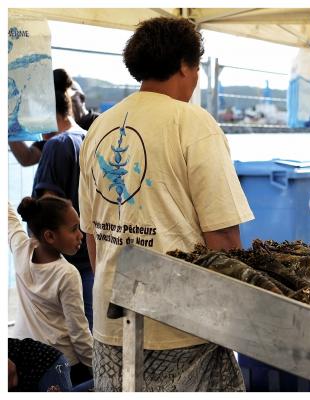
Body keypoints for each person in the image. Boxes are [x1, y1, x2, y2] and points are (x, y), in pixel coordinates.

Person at [78, 17, 254, 392]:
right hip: (183, 327)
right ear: (186, 67)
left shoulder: (99, 128)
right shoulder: (193, 123)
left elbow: (91, 235)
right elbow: (222, 235)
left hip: (110, 324)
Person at [31, 71, 94, 330]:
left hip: (64, 268)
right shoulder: (85, 137)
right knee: (88, 334)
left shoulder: (57, 145)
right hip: (87, 259)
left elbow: (49, 211)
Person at [8, 196, 93, 386]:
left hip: (26, 359)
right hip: (62, 365)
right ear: (50, 236)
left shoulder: (21, 248)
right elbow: (79, 334)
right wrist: (98, 367)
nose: (81, 234)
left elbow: (9, 220)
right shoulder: (67, 274)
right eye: (74, 229)